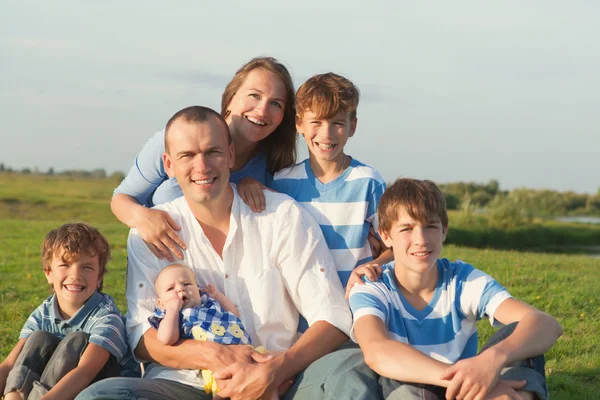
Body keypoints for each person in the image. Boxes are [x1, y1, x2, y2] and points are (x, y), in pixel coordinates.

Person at [77, 106, 357, 400]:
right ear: (169, 165)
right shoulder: (151, 230)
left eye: (213, 152)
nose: (202, 166)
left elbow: (332, 316)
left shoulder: (282, 215)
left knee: (351, 367)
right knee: (100, 397)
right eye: (188, 155)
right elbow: (141, 336)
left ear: (231, 156)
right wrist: (217, 355)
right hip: (183, 385)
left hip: (279, 378)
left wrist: (273, 372)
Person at [349, 178, 563, 400]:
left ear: (444, 231)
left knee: (520, 333)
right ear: (385, 235)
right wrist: (469, 380)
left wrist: (491, 362)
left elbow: (547, 324)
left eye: (431, 226)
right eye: (407, 228)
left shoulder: (462, 279)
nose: (421, 240)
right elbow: (377, 351)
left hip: (469, 392)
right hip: (414, 390)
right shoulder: (371, 285)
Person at [110, 56, 297, 262]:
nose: (262, 110)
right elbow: (122, 199)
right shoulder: (178, 136)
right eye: (254, 95)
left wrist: (255, 188)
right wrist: (142, 217)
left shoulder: (274, 165)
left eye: (276, 104)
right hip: (166, 270)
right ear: (230, 98)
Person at [269, 72, 393, 291]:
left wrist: (373, 265)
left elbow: (393, 248)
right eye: (316, 122)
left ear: (352, 126)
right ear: (299, 123)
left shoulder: (368, 183)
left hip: (354, 303)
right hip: (299, 309)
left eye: (337, 123)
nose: (326, 134)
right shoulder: (281, 183)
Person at [0, 223, 129, 400]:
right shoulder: (44, 312)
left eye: (87, 267)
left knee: (77, 340)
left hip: (98, 391)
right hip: (51, 392)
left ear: (99, 277)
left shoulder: (107, 318)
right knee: (38, 337)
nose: (75, 275)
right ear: (48, 273)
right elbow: (10, 364)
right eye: (65, 265)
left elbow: (85, 373)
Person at [149, 263, 276, 399]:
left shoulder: (210, 304)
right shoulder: (173, 317)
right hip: (218, 365)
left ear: (198, 290)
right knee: (233, 391)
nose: (180, 289)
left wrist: (218, 296)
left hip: (248, 351)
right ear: (161, 303)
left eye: (186, 284)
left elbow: (233, 314)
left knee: (270, 376)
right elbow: (166, 338)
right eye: (170, 289)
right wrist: (172, 310)